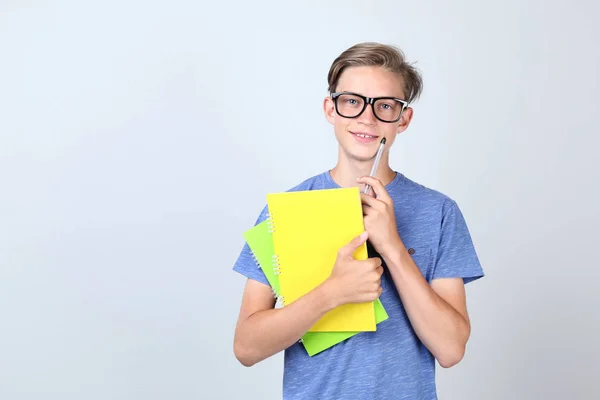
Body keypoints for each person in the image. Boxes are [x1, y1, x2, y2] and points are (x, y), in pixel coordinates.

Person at [231, 42, 484, 399]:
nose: (367, 118)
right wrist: (331, 293)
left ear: (403, 119)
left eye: (384, 106)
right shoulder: (285, 209)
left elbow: (451, 349)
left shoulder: (439, 211)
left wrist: (393, 248)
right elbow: (246, 348)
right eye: (352, 101)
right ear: (330, 109)